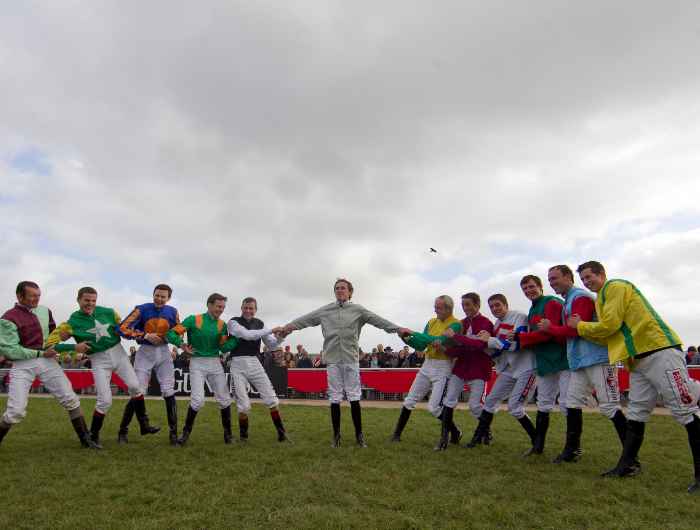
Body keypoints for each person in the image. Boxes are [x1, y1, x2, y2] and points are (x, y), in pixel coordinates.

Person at [569, 261, 699, 493]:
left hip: (660, 352)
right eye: (584, 280)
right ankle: (627, 465)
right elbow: (609, 336)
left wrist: (580, 327)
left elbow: (609, 325)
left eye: (589, 277)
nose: (587, 282)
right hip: (637, 361)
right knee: (636, 413)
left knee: (685, 411)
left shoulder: (616, 286)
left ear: (602, 274)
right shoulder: (601, 300)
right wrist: (583, 329)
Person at [282, 278, 411, 448]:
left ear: (350, 292)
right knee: (334, 397)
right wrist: (288, 327)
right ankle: (336, 436)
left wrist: (398, 329)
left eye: (343, 288)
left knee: (354, 396)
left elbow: (379, 321)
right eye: (337, 288)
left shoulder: (358, 310)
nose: (340, 290)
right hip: (333, 359)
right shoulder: (325, 310)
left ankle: (359, 435)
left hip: (351, 359)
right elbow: (306, 319)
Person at [536, 265, 627, 466]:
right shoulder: (570, 299)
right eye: (549, 279)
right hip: (579, 361)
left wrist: (551, 328)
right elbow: (570, 328)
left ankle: (631, 458)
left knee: (609, 406)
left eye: (555, 278)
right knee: (571, 402)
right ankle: (572, 450)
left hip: (598, 359)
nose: (552, 283)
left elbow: (577, 330)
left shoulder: (580, 297)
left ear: (568, 277)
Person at [47, 287, 159, 445]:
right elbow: (49, 346)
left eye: (93, 300)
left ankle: (144, 424)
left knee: (135, 387)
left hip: (119, 354)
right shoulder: (70, 323)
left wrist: (143, 334)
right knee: (105, 400)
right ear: (78, 300)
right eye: (86, 300)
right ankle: (93, 436)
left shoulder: (110, 313)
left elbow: (124, 329)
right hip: (99, 359)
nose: (90, 304)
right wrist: (73, 348)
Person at [0, 281, 98, 449]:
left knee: (71, 399)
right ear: (19, 296)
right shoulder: (8, 318)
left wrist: (67, 345)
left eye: (38, 295)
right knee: (15, 411)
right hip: (23, 364)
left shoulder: (45, 311)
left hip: (47, 361)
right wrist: (41, 353)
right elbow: (11, 351)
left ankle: (86, 441)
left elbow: (53, 339)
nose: (36, 299)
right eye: (32, 296)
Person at [465, 294, 537, 450]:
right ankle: (478, 438)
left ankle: (537, 441)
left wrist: (489, 340)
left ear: (506, 304)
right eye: (491, 307)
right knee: (489, 402)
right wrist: (480, 344)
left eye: (498, 305)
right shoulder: (497, 324)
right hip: (509, 369)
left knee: (515, 407)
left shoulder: (519, 316)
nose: (495, 309)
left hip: (527, 367)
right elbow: (497, 351)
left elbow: (517, 344)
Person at [166, 293, 238, 445]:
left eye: (223, 307)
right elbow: (171, 333)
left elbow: (223, 347)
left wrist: (236, 338)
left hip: (215, 363)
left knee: (225, 399)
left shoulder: (222, 325)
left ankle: (228, 435)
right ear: (209, 305)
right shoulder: (194, 319)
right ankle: (185, 435)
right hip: (197, 362)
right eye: (218, 306)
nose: (221, 310)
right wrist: (182, 345)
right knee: (198, 400)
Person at [390, 295, 461, 446]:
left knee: (434, 408)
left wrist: (412, 332)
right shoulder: (431, 321)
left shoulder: (456, 324)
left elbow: (438, 341)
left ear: (449, 308)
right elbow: (421, 345)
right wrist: (406, 338)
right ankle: (396, 434)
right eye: (435, 306)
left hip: (443, 367)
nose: (435, 310)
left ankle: (455, 431)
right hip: (427, 364)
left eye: (439, 307)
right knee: (409, 400)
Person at [116, 284, 181, 445]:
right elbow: (122, 328)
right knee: (138, 391)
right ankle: (122, 431)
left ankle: (174, 435)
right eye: (157, 295)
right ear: (153, 294)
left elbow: (179, 330)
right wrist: (145, 335)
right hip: (145, 352)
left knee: (168, 390)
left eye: (163, 297)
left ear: (168, 298)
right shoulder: (142, 309)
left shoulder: (173, 312)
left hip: (164, 352)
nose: (159, 299)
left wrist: (170, 342)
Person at [514, 275, 570, 457]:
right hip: (545, 361)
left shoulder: (552, 302)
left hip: (562, 359)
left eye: (531, 287)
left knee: (566, 404)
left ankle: (571, 448)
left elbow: (548, 333)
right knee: (543, 403)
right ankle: (538, 446)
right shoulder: (533, 309)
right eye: (525, 289)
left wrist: (520, 338)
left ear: (540, 286)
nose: (528, 291)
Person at [226, 297, 290, 443]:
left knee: (272, 400)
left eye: (251, 308)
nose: (248, 311)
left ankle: (281, 433)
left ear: (255, 310)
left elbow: (272, 344)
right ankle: (244, 437)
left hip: (255, 362)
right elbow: (248, 335)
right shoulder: (233, 322)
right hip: (237, 362)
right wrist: (271, 330)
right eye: (246, 308)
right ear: (241, 308)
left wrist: (282, 337)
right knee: (243, 405)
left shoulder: (260, 323)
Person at [438, 292, 494, 451]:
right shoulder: (461, 323)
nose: (465, 308)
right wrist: (444, 349)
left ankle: (486, 430)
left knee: (475, 406)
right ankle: (444, 439)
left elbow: (478, 345)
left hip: (479, 370)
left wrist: (456, 336)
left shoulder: (486, 323)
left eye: (468, 304)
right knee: (448, 401)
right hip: (461, 369)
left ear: (477, 305)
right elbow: (459, 349)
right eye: (463, 305)